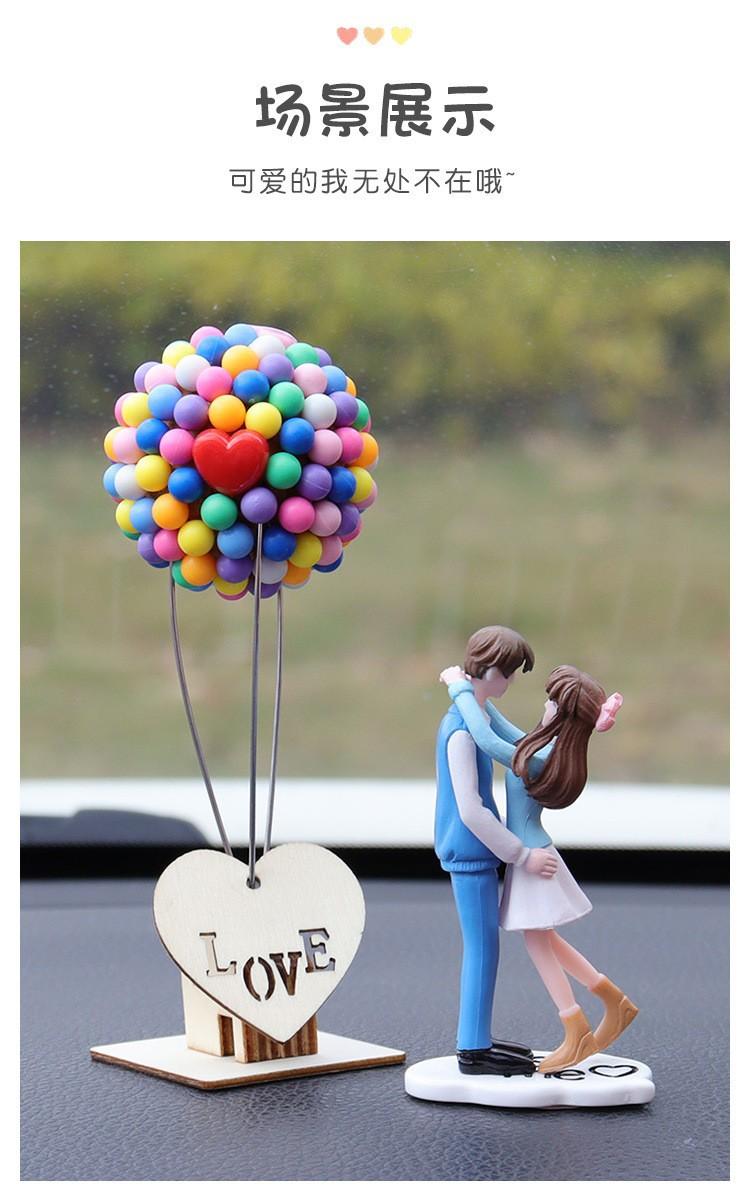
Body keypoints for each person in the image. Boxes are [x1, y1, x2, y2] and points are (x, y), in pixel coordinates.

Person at [440, 661, 638, 1073]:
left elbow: (486, 739)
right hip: (532, 855)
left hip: (533, 859)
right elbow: (497, 724)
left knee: (537, 942)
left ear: (562, 714)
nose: (545, 706)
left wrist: (460, 689)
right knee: (545, 938)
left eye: (551, 701)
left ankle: (575, 1025)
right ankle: (611, 1000)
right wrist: (476, 694)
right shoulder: (540, 747)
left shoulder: (538, 758)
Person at [434, 626, 558, 1077]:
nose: (510, 682)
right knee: (482, 946)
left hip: (478, 851)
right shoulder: (463, 732)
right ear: (490, 670)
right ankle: (472, 1049)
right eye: (508, 673)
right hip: (470, 852)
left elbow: (518, 745)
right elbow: (471, 810)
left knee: (485, 945)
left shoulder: (477, 714)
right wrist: (521, 855)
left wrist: (551, 723)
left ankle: (478, 1040)